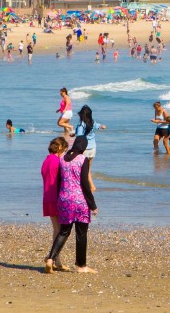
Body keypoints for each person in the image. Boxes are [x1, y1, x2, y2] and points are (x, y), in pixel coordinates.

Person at [44, 135, 98, 274]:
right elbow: (84, 184)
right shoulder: (82, 159)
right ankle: (81, 266)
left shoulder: (62, 159)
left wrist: (59, 199)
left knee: (63, 232)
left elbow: (59, 182)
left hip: (64, 199)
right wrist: (92, 204)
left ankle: (50, 259)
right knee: (81, 234)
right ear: (83, 147)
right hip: (80, 201)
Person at [41, 136, 70, 271]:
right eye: (64, 150)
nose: (64, 153)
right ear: (59, 148)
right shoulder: (57, 161)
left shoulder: (46, 161)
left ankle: (55, 259)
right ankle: (53, 258)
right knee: (61, 231)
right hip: (56, 198)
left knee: (56, 229)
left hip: (47, 197)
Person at [72, 105, 107, 192]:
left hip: (84, 149)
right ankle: (86, 186)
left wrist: (73, 149)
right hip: (92, 149)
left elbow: (80, 136)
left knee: (83, 170)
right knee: (88, 169)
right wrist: (102, 126)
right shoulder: (92, 122)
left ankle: (91, 187)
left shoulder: (81, 124)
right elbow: (99, 126)